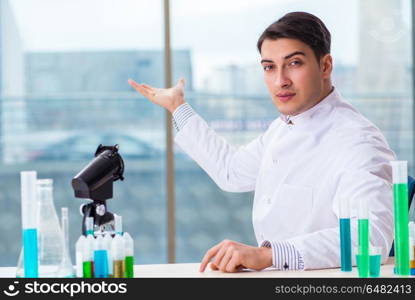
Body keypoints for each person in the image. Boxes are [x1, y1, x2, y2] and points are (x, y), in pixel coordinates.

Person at [128, 11, 395, 273]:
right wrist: (178, 106)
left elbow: (369, 239)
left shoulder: (358, 141)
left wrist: (268, 255)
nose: (280, 81)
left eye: (294, 63)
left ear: (325, 66)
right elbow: (231, 171)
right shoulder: (282, 128)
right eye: (269, 67)